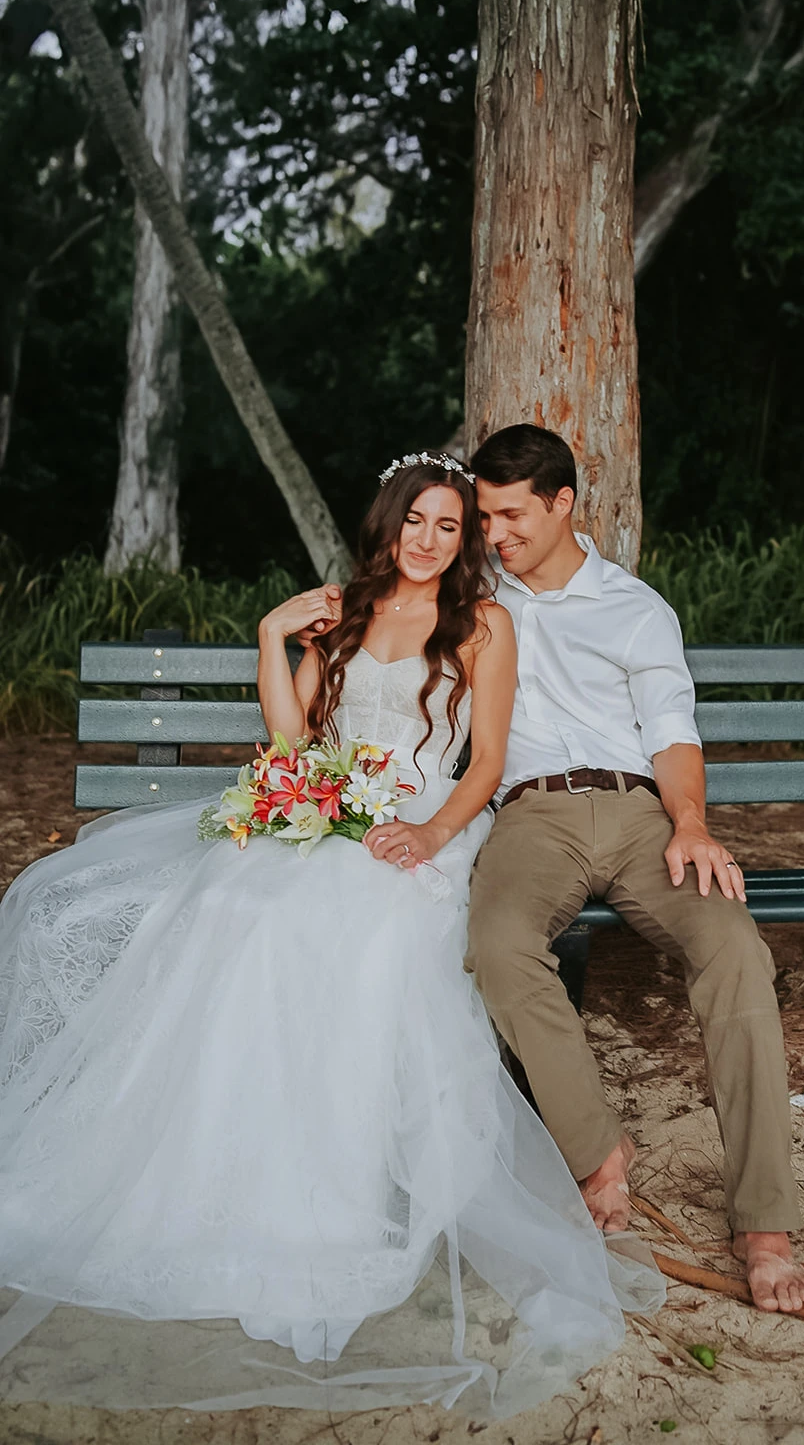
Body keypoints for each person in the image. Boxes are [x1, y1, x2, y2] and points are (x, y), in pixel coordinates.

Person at [0, 453, 662, 1417]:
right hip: (336, 805)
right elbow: (289, 743)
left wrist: (433, 832)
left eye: (449, 525)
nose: (431, 541)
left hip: (427, 821)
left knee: (360, 925)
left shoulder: (484, 623)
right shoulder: (346, 613)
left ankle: (333, 1198)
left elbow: (485, 764)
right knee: (240, 907)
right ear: (387, 527)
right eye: (416, 524)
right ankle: (216, 1170)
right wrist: (274, 635)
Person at [466, 425, 804, 1315]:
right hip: (530, 815)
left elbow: (670, 732)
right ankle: (596, 1150)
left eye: (511, 514)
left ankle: (764, 1223)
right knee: (499, 948)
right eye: (484, 515)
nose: (494, 532)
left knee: (735, 951)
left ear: (561, 504)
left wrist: (689, 824)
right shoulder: (473, 595)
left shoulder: (634, 608)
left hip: (637, 814)